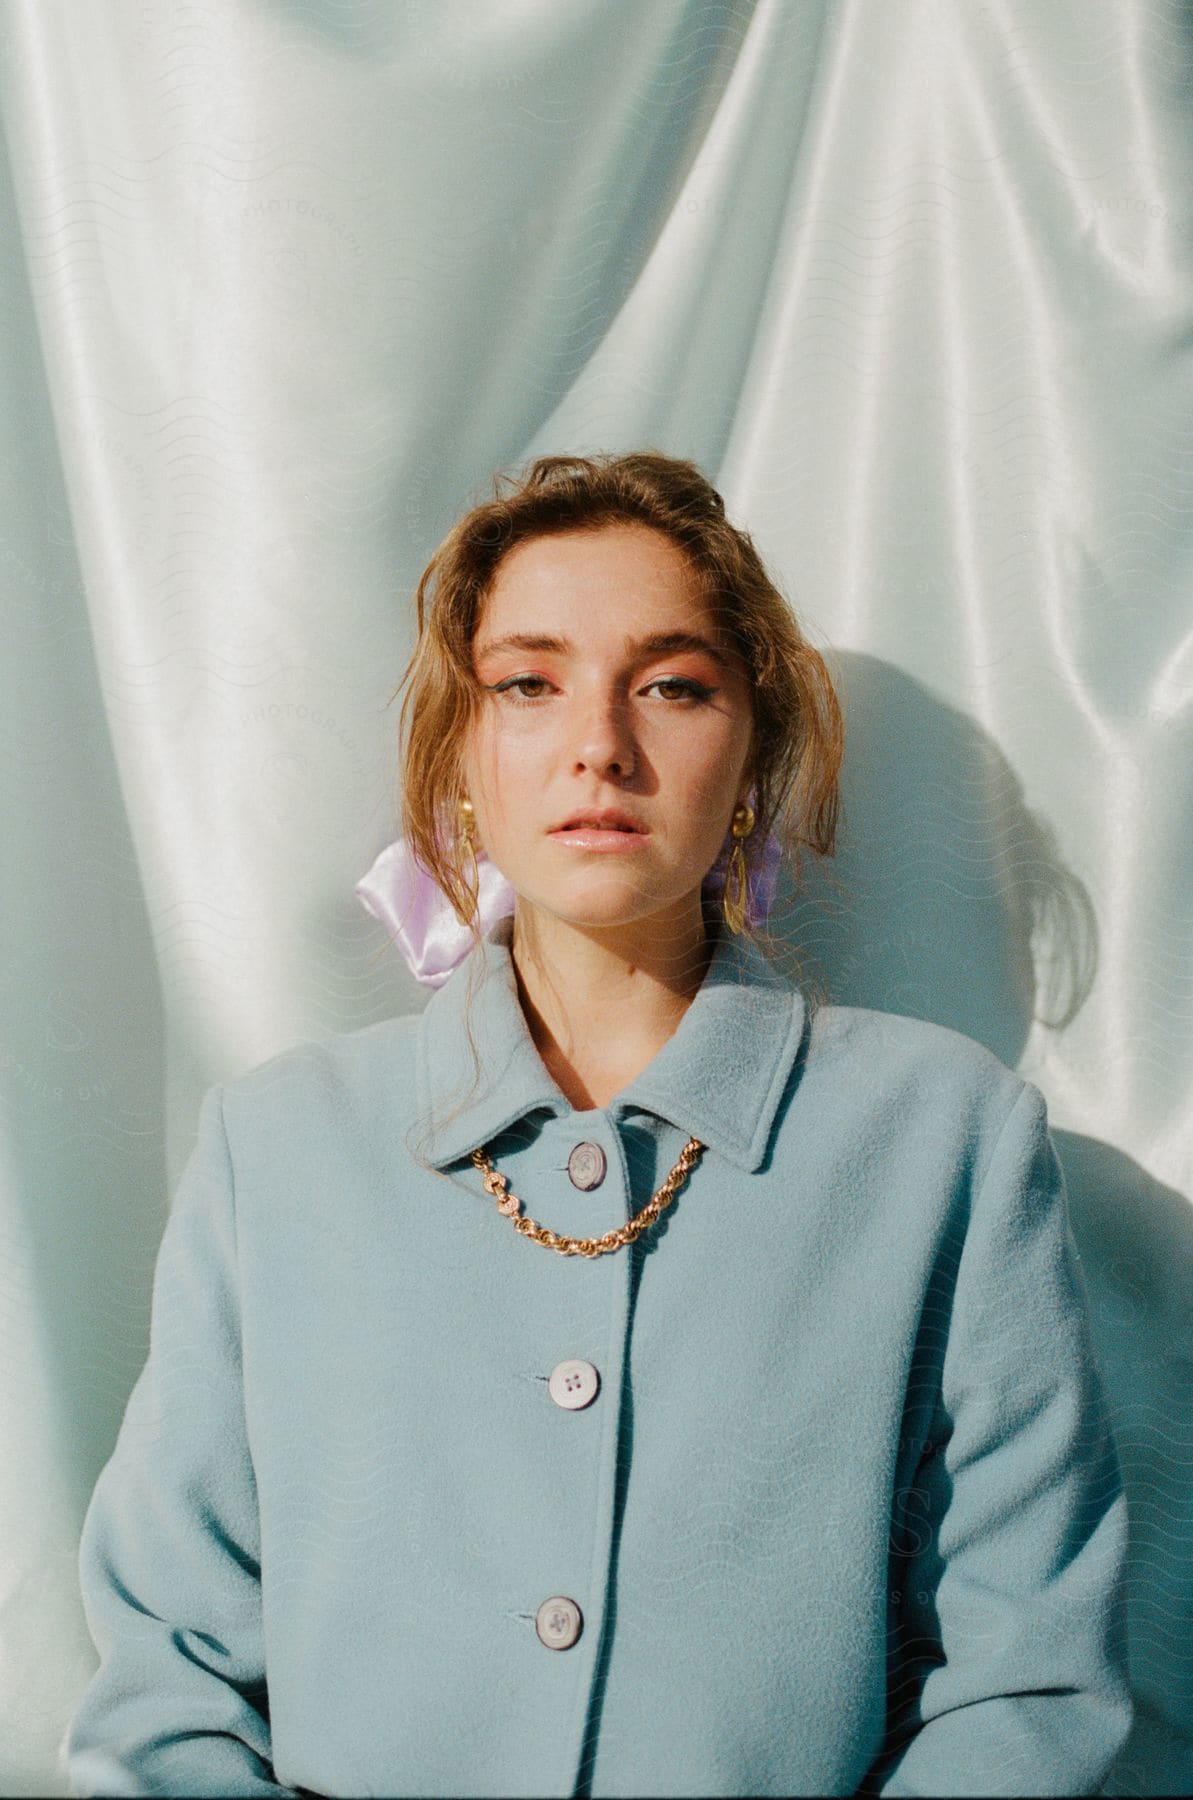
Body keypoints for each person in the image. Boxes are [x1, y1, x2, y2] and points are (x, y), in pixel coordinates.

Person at [65, 451, 1132, 1798]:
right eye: (528, 681)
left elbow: (1025, 1680)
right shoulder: (276, 1148)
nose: (599, 744)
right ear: (460, 752)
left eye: (672, 685)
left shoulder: (941, 1138)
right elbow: (165, 1684)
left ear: (751, 748)